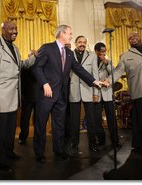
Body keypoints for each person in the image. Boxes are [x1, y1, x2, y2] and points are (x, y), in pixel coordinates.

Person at [32, 24, 103, 163]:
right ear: (62, 34)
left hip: (62, 95)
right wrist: (45, 83)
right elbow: (37, 68)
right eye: (70, 33)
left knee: (59, 125)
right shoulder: (47, 48)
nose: (71, 36)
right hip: (46, 94)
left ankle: (58, 150)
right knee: (41, 124)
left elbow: (79, 70)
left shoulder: (70, 53)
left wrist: (94, 81)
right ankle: (39, 153)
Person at [0, 20, 36, 171]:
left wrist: (34, 58)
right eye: (11, 28)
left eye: (16, 29)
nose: (15, 31)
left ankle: (8, 151)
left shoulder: (16, 48)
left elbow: (20, 66)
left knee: (10, 128)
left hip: (13, 96)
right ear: (3, 31)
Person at [67, 35, 99, 155]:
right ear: (75, 43)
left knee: (91, 120)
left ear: (86, 44)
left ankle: (93, 144)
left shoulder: (92, 56)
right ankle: (74, 144)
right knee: (74, 121)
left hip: (88, 91)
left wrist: (96, 93)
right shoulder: (69, 54)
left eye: (84, 42)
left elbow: (95, 75)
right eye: (79, 42)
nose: (82, 44)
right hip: (73, 91)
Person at [93, 42, 120, 148]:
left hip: (107, 93)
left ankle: (115, 140)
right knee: (96, 119)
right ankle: (101, 139)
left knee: (111, 119)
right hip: (96, 94)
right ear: (96, 51)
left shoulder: (108, 61)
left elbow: (114, 74)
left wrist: (107, 63)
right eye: (101, 52)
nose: (103, 54)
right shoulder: (91, 60)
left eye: (104, 52)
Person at [18, 64, 37, 145]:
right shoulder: (39, 68)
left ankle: (23, 138)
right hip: (37, 97)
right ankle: (37, 137)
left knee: (25, 119)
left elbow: (22, 83)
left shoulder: (25, 69)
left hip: (27, 96)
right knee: (37, 119)